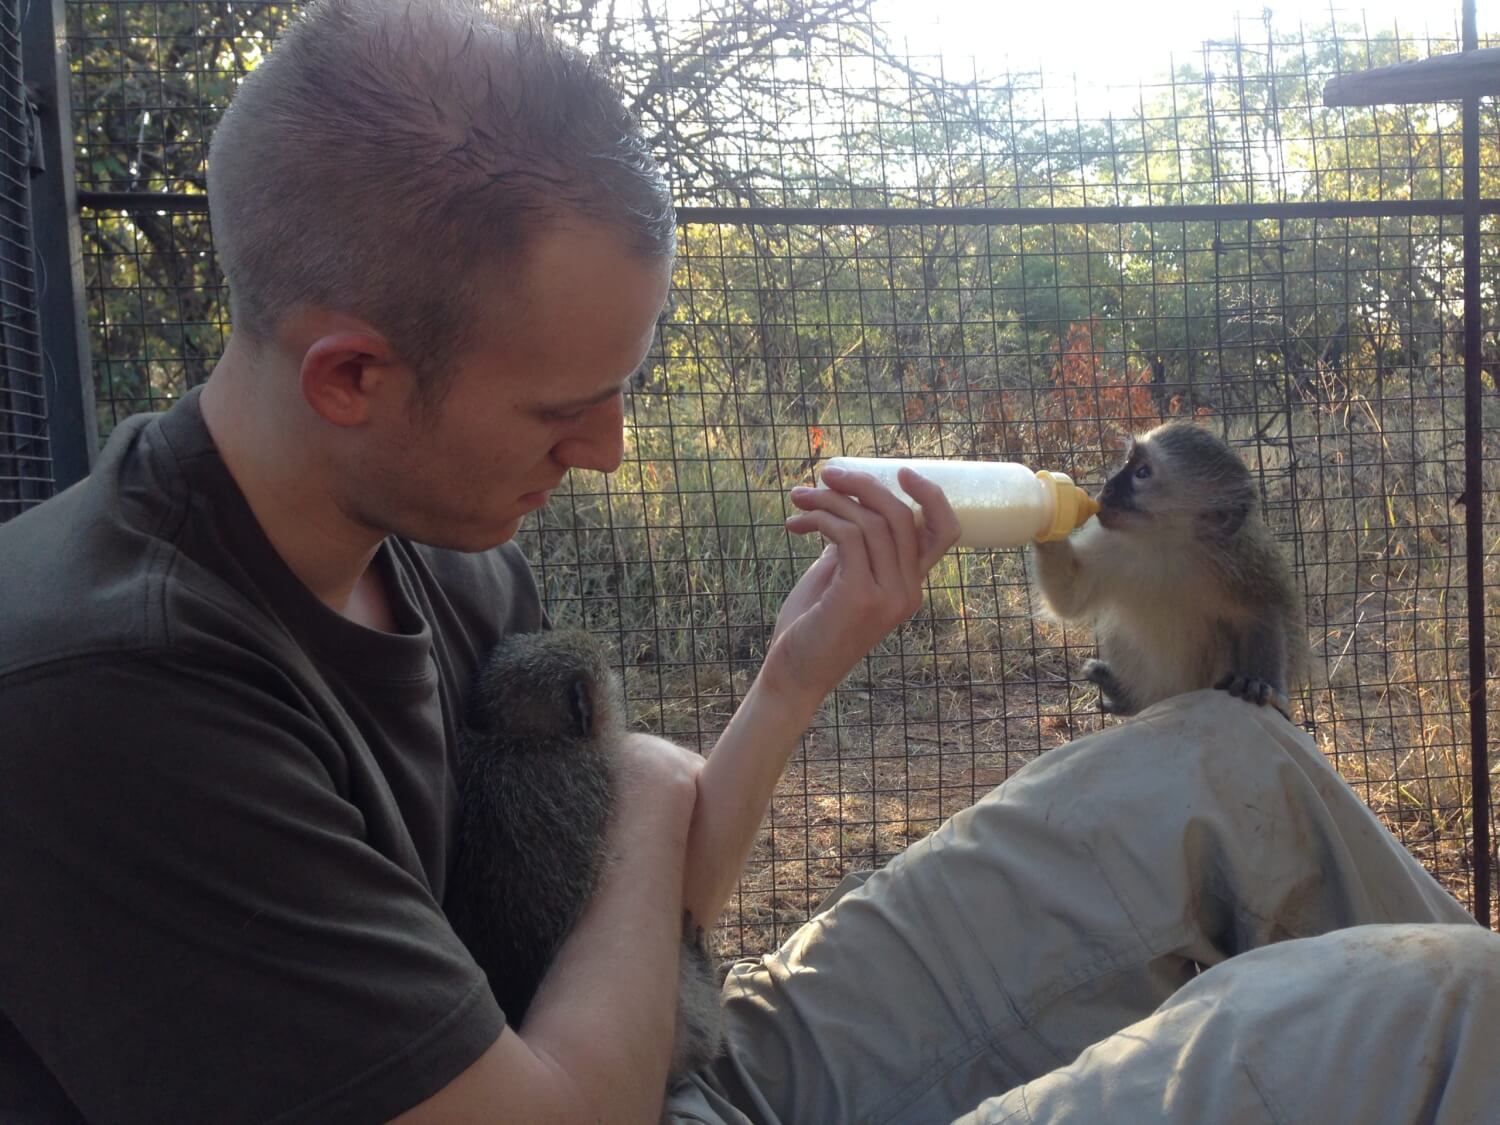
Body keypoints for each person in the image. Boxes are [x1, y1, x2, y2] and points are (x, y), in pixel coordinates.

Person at [0, 1, 1494, 1122]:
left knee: (1234, 762)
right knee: (1444, 1014)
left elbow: (632, 920)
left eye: (622, 391)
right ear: (350, 375)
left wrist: (794, 671)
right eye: (564, 409)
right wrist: (649, 794)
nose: (607, 453)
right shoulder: (114, 697)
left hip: (686, 1058)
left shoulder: (429, 535)